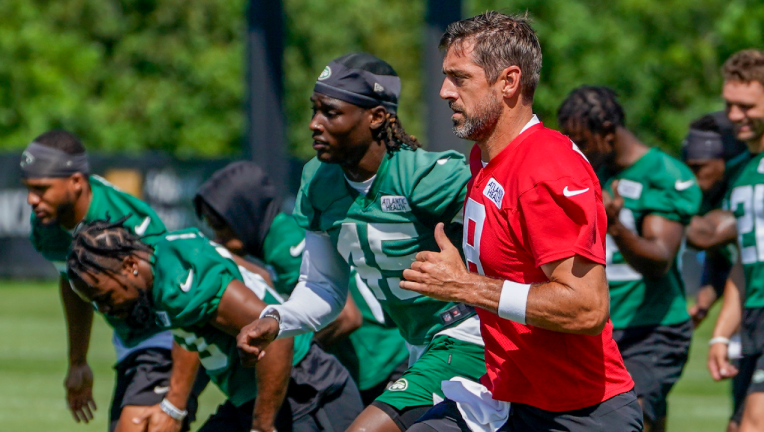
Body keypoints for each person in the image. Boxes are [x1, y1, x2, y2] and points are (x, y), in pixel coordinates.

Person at [399, 12, 642, 432]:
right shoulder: (486, 157)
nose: (444, 92)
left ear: (508, 81)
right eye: (445, 77)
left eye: (460, 78)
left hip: (576, 414)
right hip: (509, 397)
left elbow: (587, 308)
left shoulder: (547, 169)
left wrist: (463, 286)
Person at [237, 52, 487, 432]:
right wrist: (277, 319)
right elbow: (323, 288)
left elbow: (514, 214)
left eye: (331, 112)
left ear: (376, 117)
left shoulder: (424, 177)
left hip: (470, 336)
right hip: (419, 347)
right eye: (314, 110)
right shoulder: (318, 182)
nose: (314, 125)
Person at [66, 219, 363, 432]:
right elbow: (256, 279)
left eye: (104, 297)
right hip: (257, 396)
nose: (106, 310)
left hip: (304, 394)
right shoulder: (162, 258)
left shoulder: (181, 279)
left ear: (130, 265)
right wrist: (175, 404)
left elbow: (276, 336)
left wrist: (262, 425)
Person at [20, 130, 204, 432]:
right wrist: (78, 360)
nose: (31, 199)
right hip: (131, 341)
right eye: (28, 188)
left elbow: (187, 302)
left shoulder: (128, 224)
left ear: (76, 182)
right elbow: (73, 282)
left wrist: (174, 401)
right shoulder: (46, 226)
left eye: (41, 188)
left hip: (171, 333)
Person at [194, 161, 409, 405]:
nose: (219, 240)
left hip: (380, 362)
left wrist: (294, 354)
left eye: (221, 227)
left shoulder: (284, 242)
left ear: (243, 214)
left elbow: (346, 317)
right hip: (373, 363)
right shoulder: (277, 241)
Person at [557, 86, 701, 431]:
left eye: (583, 140)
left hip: (653, 328)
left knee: (629, 415)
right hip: (601, 327)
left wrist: (617, 226)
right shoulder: (591, 173)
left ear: (608, 133)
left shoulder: (662, 173)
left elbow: (660, 260)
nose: (579, 150)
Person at [702, 49, 764, 432]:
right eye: (730, 105)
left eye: (747, 106)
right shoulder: (739, 170)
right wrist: (721, 336)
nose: (735, 116)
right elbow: (744, 262)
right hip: (754, 320)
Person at [683, 112, 748, 327]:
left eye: (699, 167)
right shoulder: (710, 198)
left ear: (725, 160)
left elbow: (708, 236)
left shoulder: (750, 191)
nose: (692, 176)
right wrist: (703, 303)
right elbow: (722, 263)